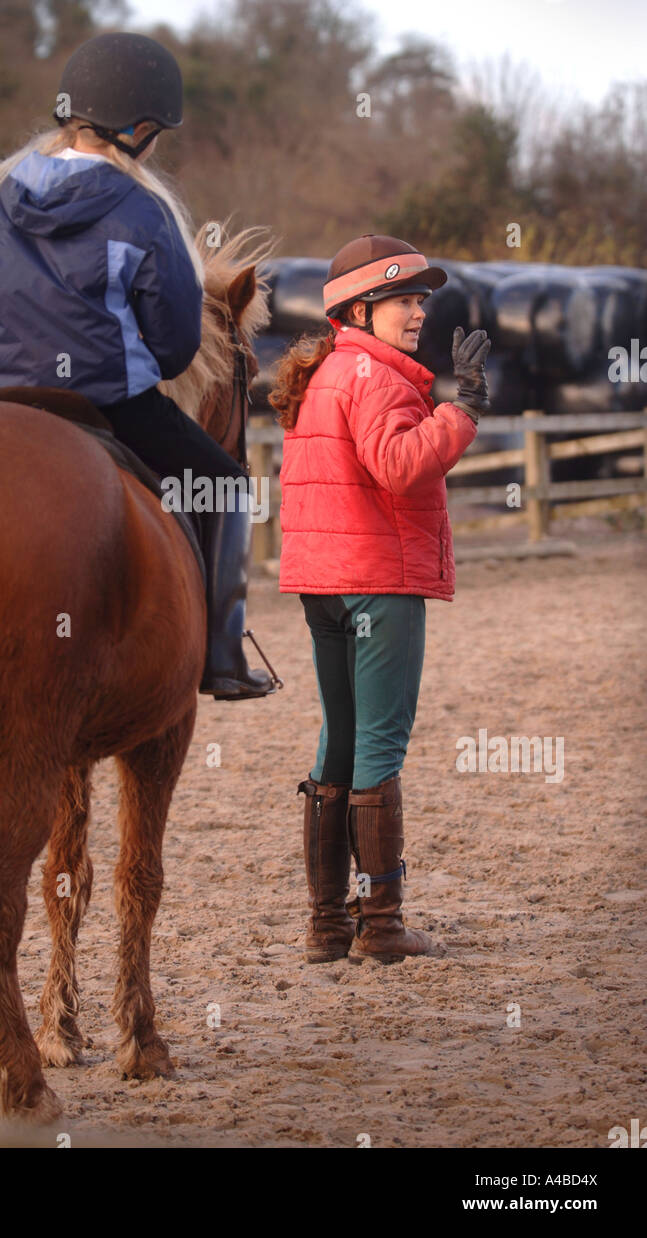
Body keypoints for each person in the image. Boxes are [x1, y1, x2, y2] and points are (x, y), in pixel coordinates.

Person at [0, 31, 276, 700]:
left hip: (1, 405)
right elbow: (177, 339)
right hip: (110, 403)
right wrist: (133, 359)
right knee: (226, 484)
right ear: (141, 128)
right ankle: (222, 657)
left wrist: (5, 358)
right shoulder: (142, 210)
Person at [269, 234, 491, 963]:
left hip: (321, 581)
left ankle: (327, 926)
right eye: (404, 299)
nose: (418, 311)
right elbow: (399, 467)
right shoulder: (379, 377)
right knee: (378, 743)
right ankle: (384, 926)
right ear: (359, 309)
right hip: (378, 581)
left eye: (422, 299)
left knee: (338, 737)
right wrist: (461, 413)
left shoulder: (324, 373)